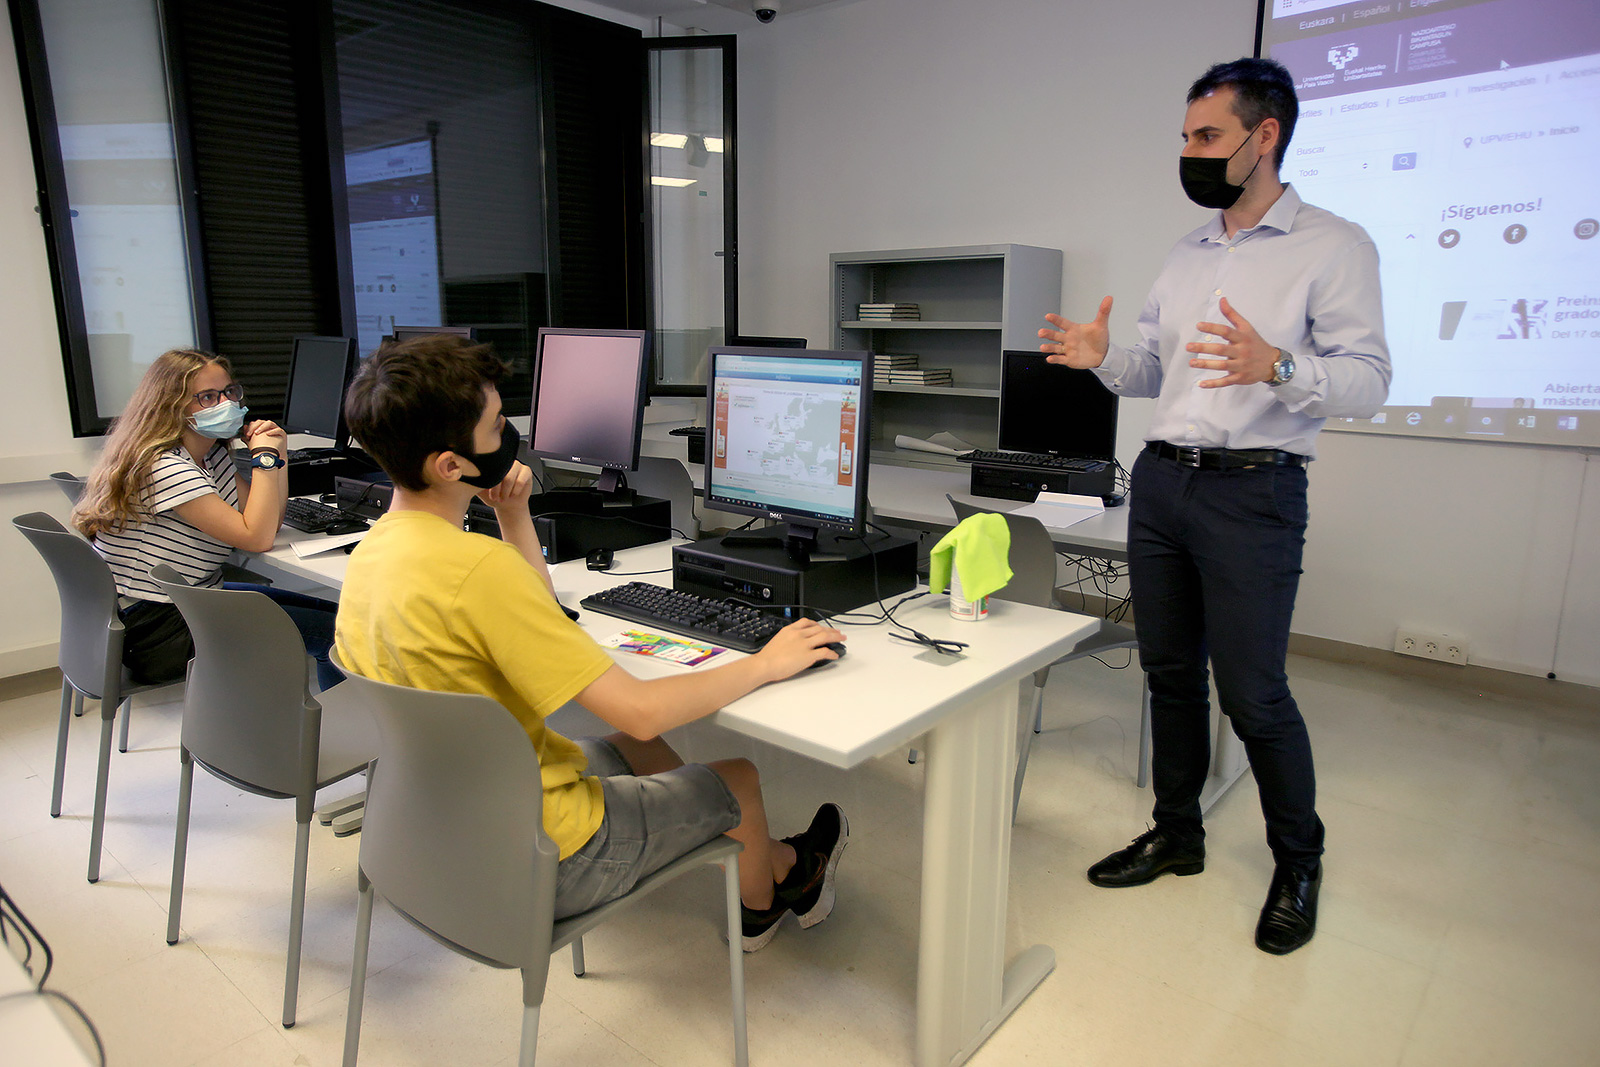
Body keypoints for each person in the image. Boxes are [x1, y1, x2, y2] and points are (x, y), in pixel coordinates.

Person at [333, 335, 850, 950]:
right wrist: (766, 662)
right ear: (451, 465)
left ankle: (761, 859)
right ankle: (768, 902)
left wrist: (513, 514)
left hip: (448, 826)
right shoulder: (477, 569)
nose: (511, 436)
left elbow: (529, 612)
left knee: (639, 748)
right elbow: (641, 708)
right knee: (736, 775)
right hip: (545, 859)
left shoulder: (374, 552)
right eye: (497, 426)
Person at [1039, 58, 1391, 955]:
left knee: (1254, 692)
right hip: (1162, 480)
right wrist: (1103, 359)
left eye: (1208, 136)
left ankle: (1299, 861)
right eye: (1187, 136)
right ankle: (1177, 833)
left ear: (1264, 136)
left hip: (1254, 490)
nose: (1191, 152)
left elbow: (1369, 380)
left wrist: (1280, 364)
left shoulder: (1334, 246)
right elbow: (1156, 372)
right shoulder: (1187, 251)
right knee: (1169, 674)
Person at [73, 348, 342, 690]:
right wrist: (263, 457)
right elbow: (258, 538)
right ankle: (345, 721)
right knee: (336, 637)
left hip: (186, 601)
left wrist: (278, 453)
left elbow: (268, 522)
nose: (226, 403)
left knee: (336, 615)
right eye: (208, 397)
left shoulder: (209, 455)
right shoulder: (165, 468)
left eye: (229, 392)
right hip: (159, 630)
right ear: (173, 406)